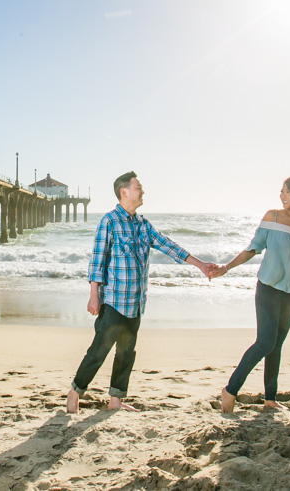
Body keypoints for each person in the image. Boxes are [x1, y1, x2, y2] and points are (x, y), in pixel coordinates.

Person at [66, 171, 216, 413]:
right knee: (99, 350)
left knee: (126, 352)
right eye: (139, 187)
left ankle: (115, 400)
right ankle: (75, 392)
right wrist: (94, 295)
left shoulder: (143, 224)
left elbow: (169, 246)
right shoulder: (110, 221)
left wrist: (200, 265)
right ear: (124, 192)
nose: (142, 191)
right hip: (113, 300)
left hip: (136, 302)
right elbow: (97, 260)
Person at [209, 176, 290, 413]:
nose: (281, 196)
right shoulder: (272, 217)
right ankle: (230, 390)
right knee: (265, 342)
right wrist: (226, 267)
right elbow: (252, 249)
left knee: (276, 345)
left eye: (286, 192)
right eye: (281, 192)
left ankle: (270, 399)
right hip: (269, 288)